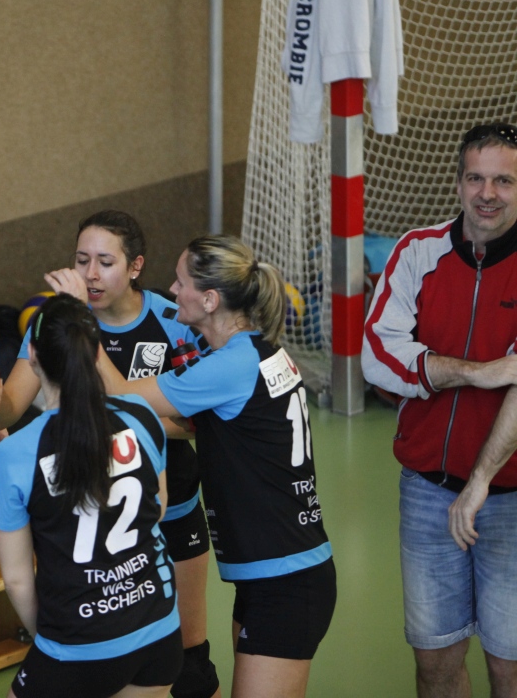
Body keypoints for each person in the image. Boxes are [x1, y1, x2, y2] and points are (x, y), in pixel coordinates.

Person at [0, 210, 218, 698]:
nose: (91, 275)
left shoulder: (173, 322)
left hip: (172, 513)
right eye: (81, 261)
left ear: (135, 266)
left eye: (105, 262)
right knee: (127, 660)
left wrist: (122, 424)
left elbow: (196, 424)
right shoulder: (58, 326)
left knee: (190, 658)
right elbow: (9, 407)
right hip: (88, 523)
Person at [107, 235, 335, 698]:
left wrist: (81, 332)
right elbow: (193, 426)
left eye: (182, 282)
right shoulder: (257, 351)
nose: (172, 290)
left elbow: (121, 394)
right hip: (271, 574)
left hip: (285, 582)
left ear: (210, 300)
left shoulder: (230, 367)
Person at [362, 122, 517, 698]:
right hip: (427, 491)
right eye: (476, 178)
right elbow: (378, 356)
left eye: (504, 180)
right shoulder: (416, 251)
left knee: (510, 668)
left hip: (511, 499)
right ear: (457, 184)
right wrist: (479, 371)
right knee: (434, 663)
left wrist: (480, 481)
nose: (487, 193)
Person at [0, 294, 182, 698]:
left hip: (76, 646)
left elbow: (17, 579)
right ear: (97, 353)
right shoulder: (141, 415)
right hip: (158, 633)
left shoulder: (17, 451)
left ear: (32, 356)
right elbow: (158, 507)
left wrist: (51, 639)